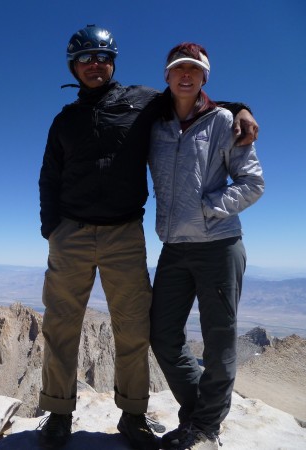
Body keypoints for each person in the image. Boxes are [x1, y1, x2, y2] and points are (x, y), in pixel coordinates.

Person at [37, 25, 258, 450]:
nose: (94, 65)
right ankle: (58, 415)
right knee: (61, 325)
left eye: (102, 56)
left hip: (124, 233)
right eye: (85, 59)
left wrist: (242, 108)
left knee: (133, 326)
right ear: (74, 67)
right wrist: (52, 228)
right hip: (72, 233)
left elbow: (190, 98)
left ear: (113, 61)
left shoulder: (142, 102)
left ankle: (133, 415)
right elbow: (50, 175)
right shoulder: (64, 120)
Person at [148, 43, 264, 449]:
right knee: (162, 335)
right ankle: (200, 412)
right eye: (178, 68)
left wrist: (210, 207)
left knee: (219, 339)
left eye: (194, 70)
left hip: (219, 244)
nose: (186, 75)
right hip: (174, 247)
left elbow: (253, 183)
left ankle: (205, 429)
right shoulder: (155, 122)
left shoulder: (226, 122)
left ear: (204, 78)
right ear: (166, 75)